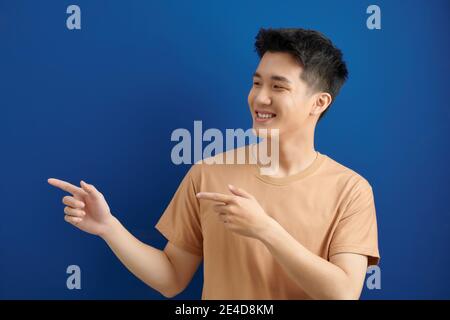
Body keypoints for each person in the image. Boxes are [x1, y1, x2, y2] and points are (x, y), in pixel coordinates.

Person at [48, 27, 380, 300]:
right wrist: (109, 228)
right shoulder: (209, 172)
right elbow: (171, 278)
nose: (259, 97)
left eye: (278, 86)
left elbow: (343, 293)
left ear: (318, 103)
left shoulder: (350, 190)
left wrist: (264, 229)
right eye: (256, 82)